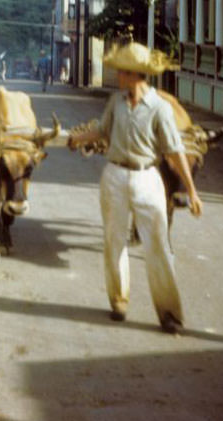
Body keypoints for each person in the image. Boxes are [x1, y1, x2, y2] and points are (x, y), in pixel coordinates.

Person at [67, 42, 203, 334]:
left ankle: (169, 313)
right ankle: (118, 300)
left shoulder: (160, 109)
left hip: (146, 179)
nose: (117, 76)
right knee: (113, 241)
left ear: (135, 74)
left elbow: (175, 152)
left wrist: (191, 190)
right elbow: (102, 131)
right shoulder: (116, 102)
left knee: (158, 247)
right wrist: (77, 138)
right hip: (114, 176)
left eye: (121, 72)